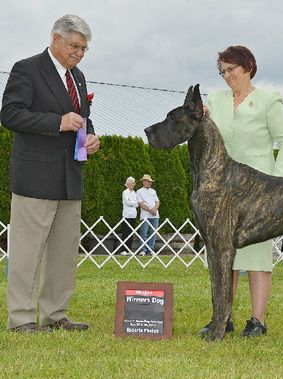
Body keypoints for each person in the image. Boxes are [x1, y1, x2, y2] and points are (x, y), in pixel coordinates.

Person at [0, 14, 100, 333]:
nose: (79, 54)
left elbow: (82, 118)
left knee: (64, 251)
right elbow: (10, 114)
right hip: (35, 177)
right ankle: (21, 318)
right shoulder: (26, 69)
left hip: (70, 176)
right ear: (56, 39)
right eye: (74, 46)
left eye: (84, 49)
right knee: (27, 251)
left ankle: (56, 314)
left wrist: (90, 140)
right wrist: (55, 123)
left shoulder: (79, 77)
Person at [201, 45, 283, 337]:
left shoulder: (268, 100)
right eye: (222, 71)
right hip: (222, 192)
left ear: (248, 68)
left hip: (259, 192)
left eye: (232, 69)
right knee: (222, 256)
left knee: (256, 257)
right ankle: (223, 318)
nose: (227, 75)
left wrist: (279, 183)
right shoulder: (215, 101)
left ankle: (258, 321)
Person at [136, 174, 160, 256]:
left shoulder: (153, 191)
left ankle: (150, 250)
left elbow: (157, 201)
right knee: (144, 232)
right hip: (145, 215)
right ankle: (143, 250)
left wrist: (155, 209)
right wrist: (150, 209)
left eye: (150, 182)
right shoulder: (139, 191)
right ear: (144, 182)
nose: (150, 183)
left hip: (155, 215)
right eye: (148, 182)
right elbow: (141, 204)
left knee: (153, 233)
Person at [121, 177, 138, 255]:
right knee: (126, 232)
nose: (133, 184)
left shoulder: (134, 193)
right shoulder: (125, 192)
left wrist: (133, 203)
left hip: (133, 215)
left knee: (131, 233)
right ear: (128, 183)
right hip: (126, 215)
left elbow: (137, 204)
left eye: (134, 183)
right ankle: (123, 250)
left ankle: (128, 249)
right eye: (132, 183)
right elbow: (127, 202)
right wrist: (133, 203)